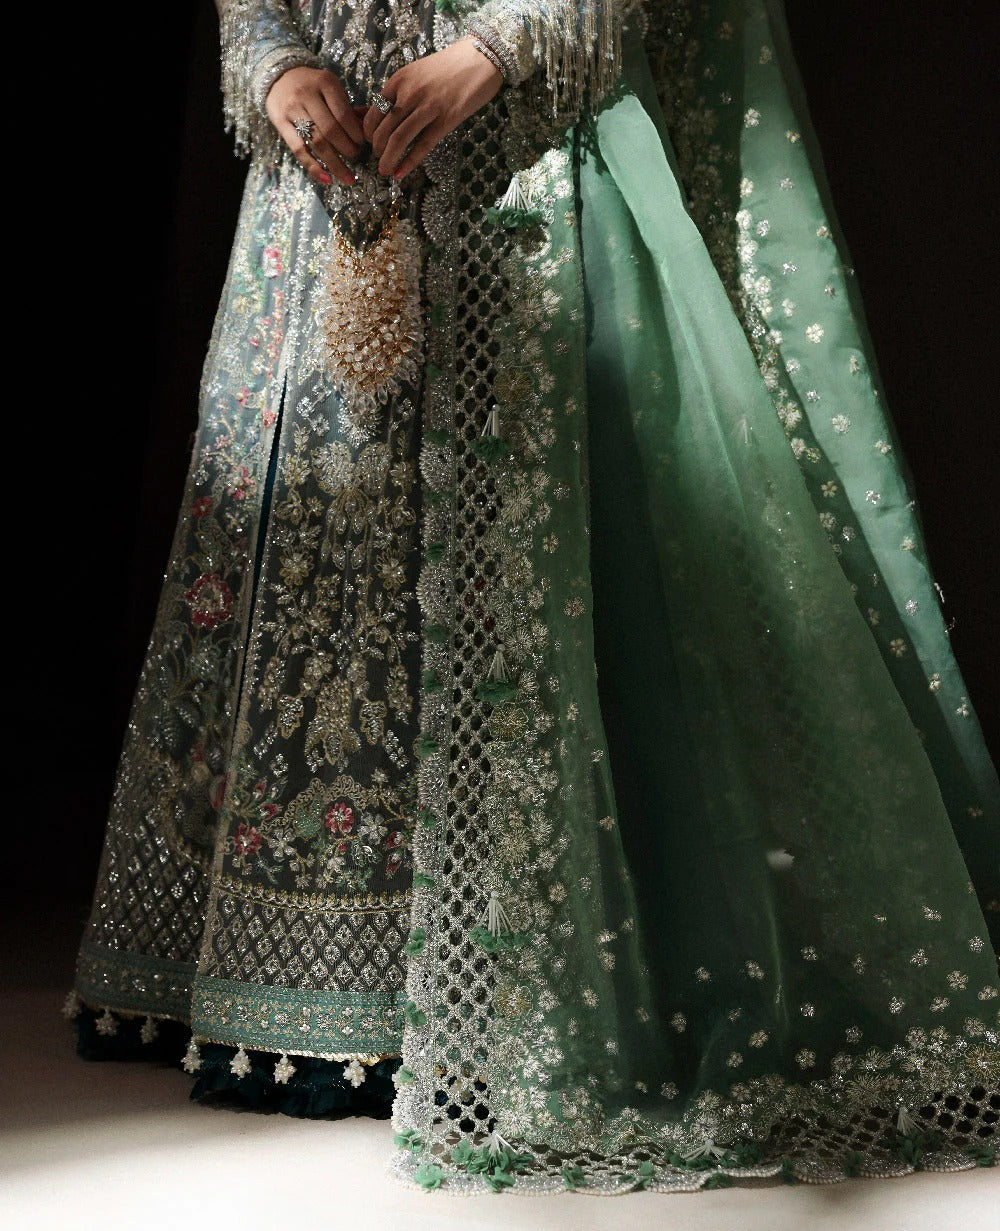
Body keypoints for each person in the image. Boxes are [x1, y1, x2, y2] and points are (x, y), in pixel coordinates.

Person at [67, 0, 998, 1194]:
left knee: (519, 572)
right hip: (321, 187)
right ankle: (299, 1002)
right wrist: (273, 61)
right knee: (319, 566)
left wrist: (497, 53)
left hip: (530, 164)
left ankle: (505, 999)